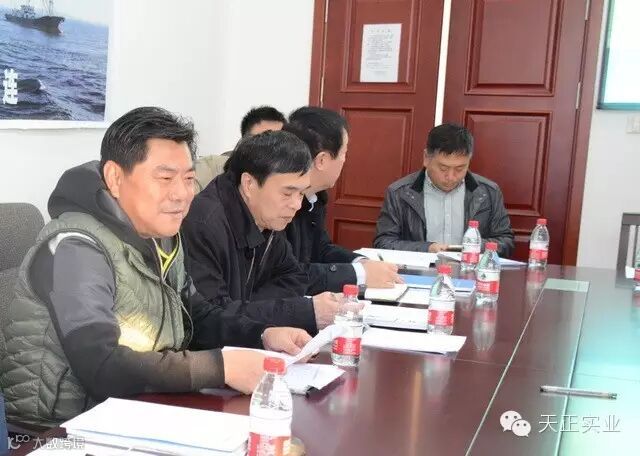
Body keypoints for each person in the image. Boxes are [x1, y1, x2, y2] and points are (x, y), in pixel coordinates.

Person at [0, 107, 310, 427]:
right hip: (57, 432)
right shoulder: (75, 248)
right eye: (165, 178)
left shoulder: (162, 236)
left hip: (138, 410)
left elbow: (198, 316)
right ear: (115, 178)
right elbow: (102, 366)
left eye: (188, 179)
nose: (182, 194)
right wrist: (220, 367)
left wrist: (262, 334)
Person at [183, 130, 340, 336]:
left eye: (301, 193)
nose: (296, 204)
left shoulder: (266, 216)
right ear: (249, 184)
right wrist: (301, 311)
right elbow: (210, 318)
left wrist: (247, 306)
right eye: (287, 193)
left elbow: (294, 276)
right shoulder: (203, 225)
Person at [283, 107, 402, 294]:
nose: (345, 160)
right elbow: (287, 275)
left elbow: (321, 249)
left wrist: (361, 263)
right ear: (322, 160)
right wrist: (358, 275)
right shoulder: (280, 206)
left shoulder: (315, 197)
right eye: (343, 153)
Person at [374, 123, 514, 257]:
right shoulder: (399, 193)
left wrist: (474, 247)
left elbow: (506, 242)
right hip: (416, 271)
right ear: (426, 158)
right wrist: (427, 249)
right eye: (443, 168)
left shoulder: (488, 193)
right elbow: (383, 243)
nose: (451, 177)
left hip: (470, 270)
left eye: (459, 169)